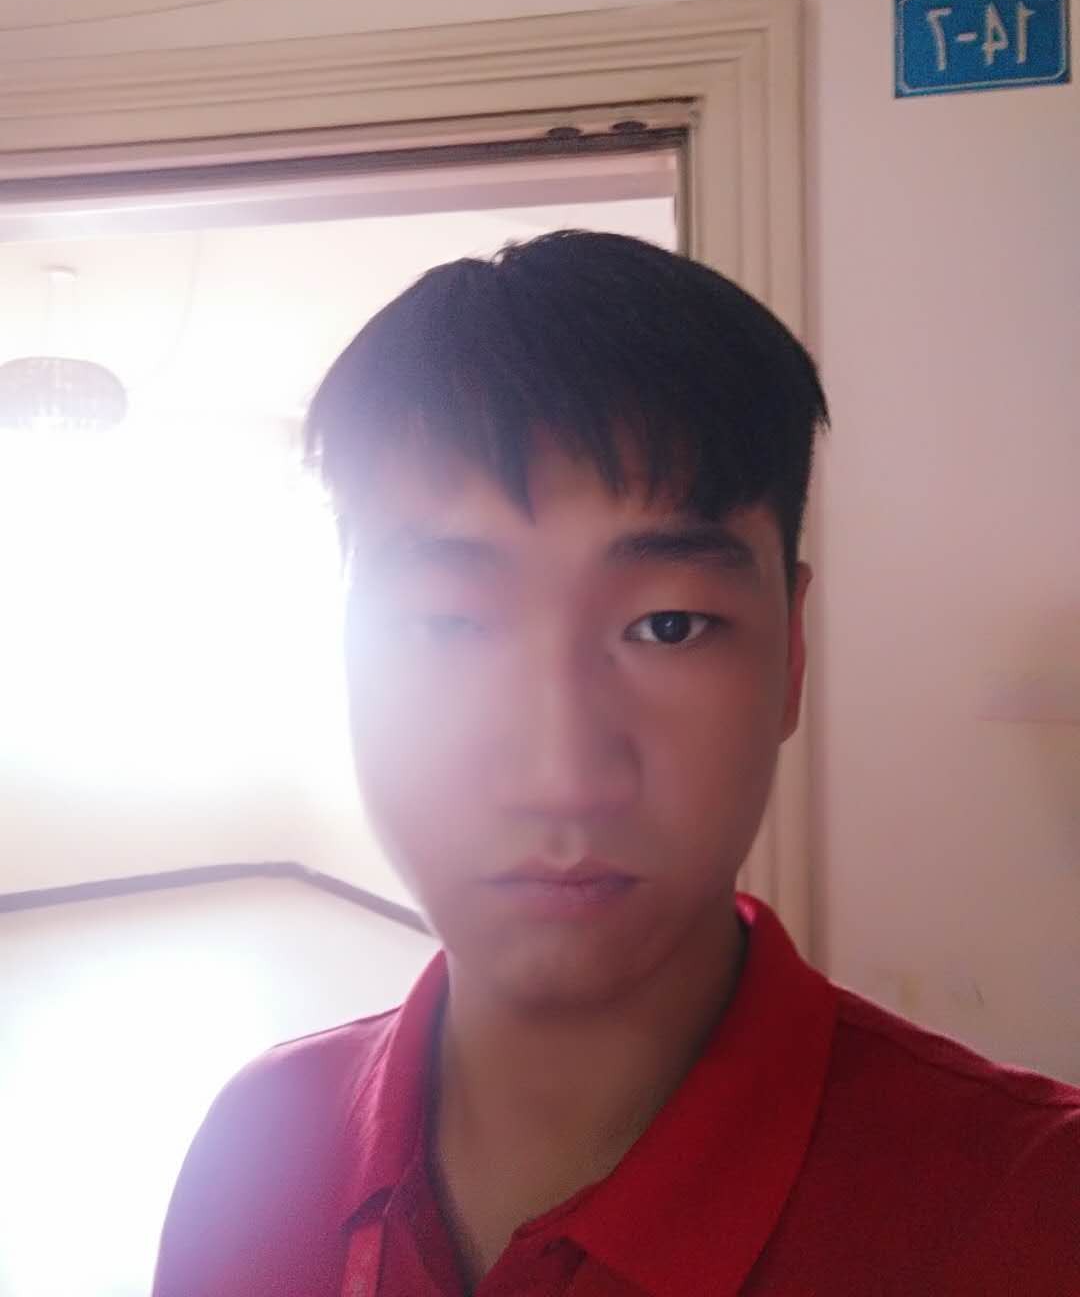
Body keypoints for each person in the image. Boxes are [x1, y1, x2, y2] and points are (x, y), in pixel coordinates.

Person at [152, 232, 1079, 1296]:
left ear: (791, 656)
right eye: (447, 623)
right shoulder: (253, 1147)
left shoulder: (1037, 1214)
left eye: (670, 625)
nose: (560, 772)